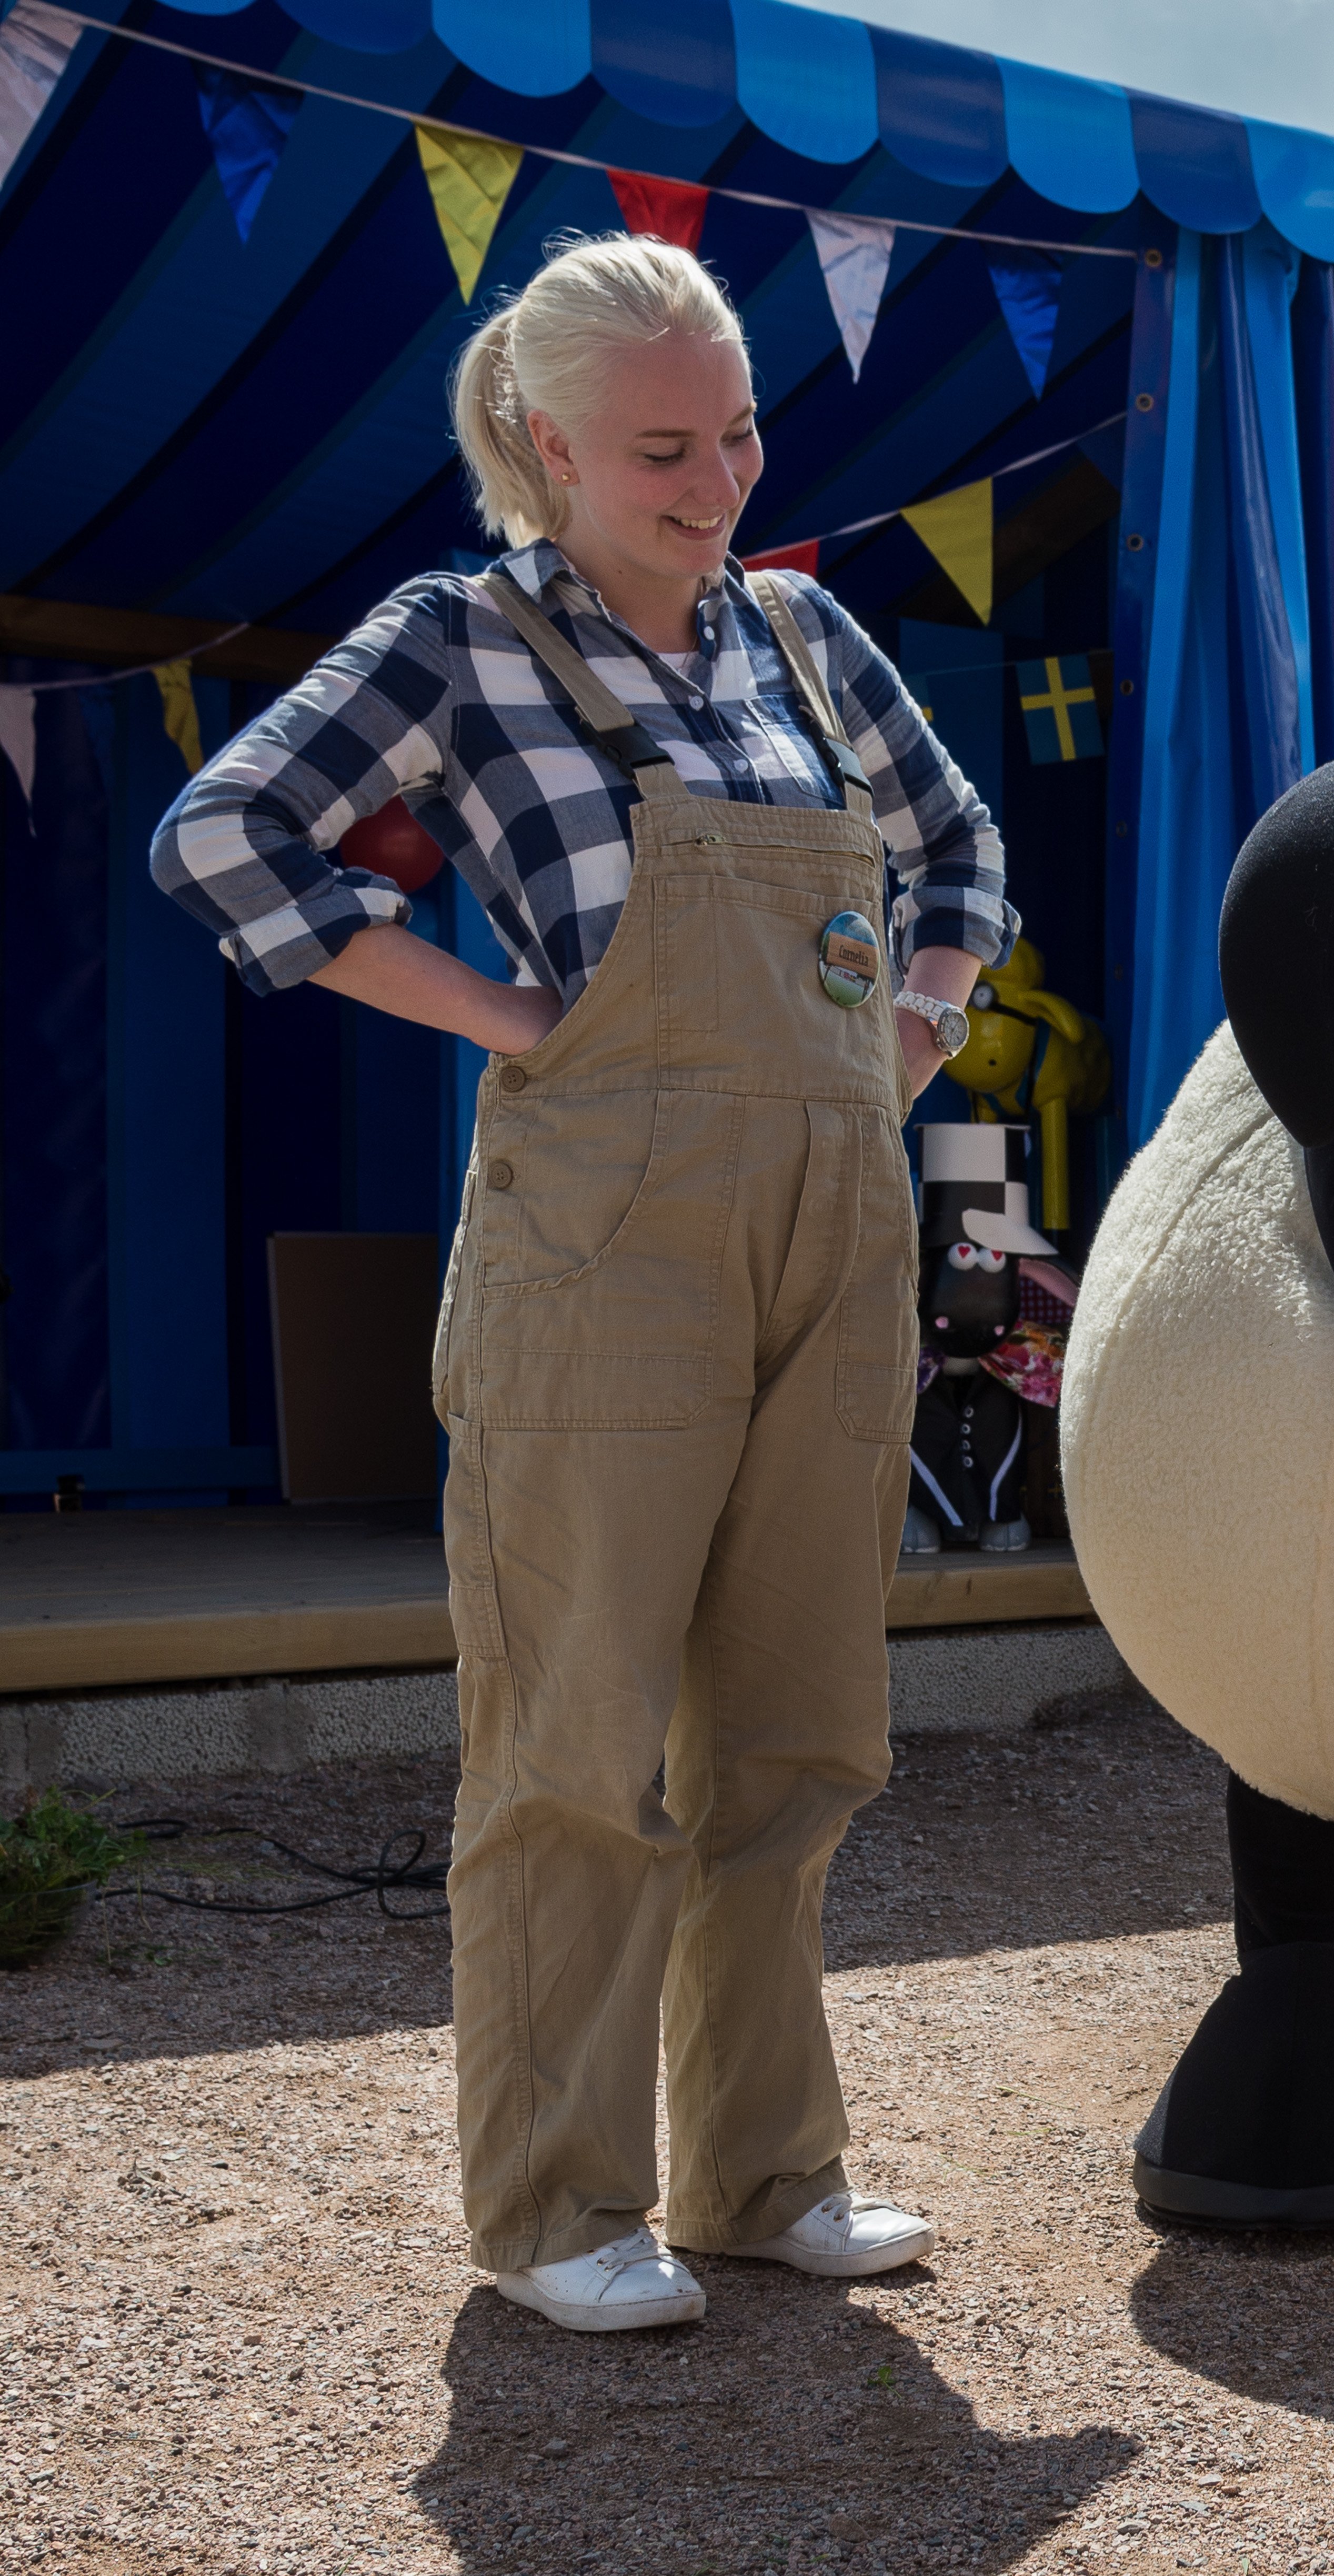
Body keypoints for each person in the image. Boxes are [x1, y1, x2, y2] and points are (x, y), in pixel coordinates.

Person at [151, 233, 1015, 2333]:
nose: (716, 481)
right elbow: (226, 837)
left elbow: (962, 847)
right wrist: (513, 1027)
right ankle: (555, 2208)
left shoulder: (805, 640)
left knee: (797, 1734)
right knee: (574, 1742)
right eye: (660, 450)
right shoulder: (459, 639)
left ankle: (761, 2173)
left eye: (734, 433)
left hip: (836, 1230)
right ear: (541, 443)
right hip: (599, 1246)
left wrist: (908, 1032)